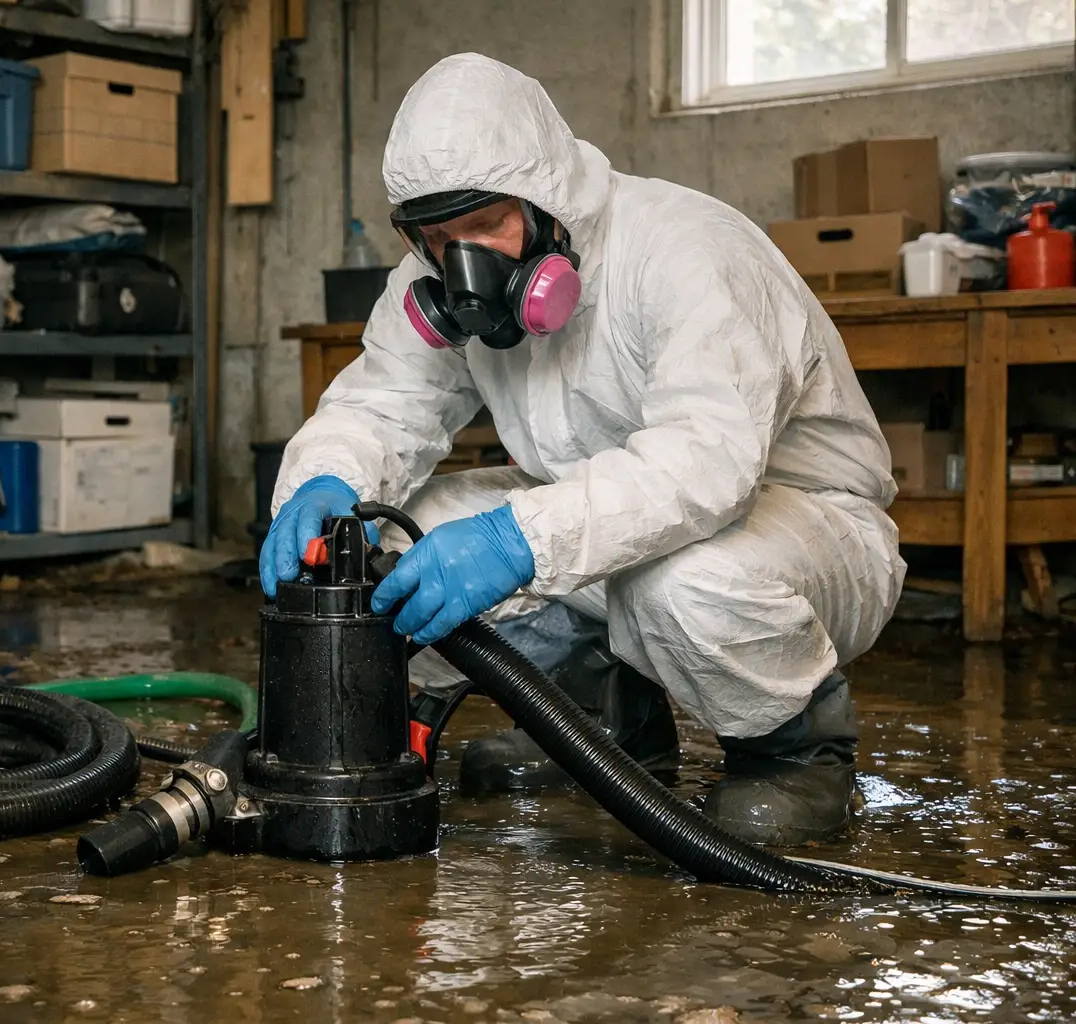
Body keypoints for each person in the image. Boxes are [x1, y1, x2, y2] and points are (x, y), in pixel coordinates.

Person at [258, 53, 905, 846]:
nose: (464, 265)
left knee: (684, 582)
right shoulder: (427, 278)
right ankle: (599, 724)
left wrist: (518, 539)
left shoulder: (686, 248)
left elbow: (706, 464)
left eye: (486, 225)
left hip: (796, 528)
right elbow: (384, 400)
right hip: (604, 516)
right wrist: (322, 479)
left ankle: (791, 750)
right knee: (394, 537)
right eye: (436, 236)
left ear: (548, 197)